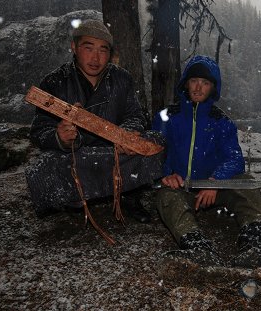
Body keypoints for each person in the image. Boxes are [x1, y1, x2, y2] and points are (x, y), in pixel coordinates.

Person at [26, 19, 164, 223]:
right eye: (88, 48)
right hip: (78, 154)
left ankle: (128, 195)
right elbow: (39, 130)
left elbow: (135, 115)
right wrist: (59, 138)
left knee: (155, 143)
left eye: (103, 50)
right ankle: (74, 199)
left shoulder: (121, 78)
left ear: (110, 53)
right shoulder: (55, 81)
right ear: (74, 46)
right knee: (46, 164)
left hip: (114, 151)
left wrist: (126, 135)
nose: (96, 58)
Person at [152, 55, 261, 268]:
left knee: (246, 182)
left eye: (206, 83)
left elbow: (235, 158)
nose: (199, 87)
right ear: (186, 83)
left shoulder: (221, 121)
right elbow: (155, 152)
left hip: (215, 188)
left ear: (213, 88)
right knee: (166, 197)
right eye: (194, 81)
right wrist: (167, 173)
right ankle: (196, 246)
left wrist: (215, 182)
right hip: (182, 187)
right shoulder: (167, 116)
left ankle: (255, 244)